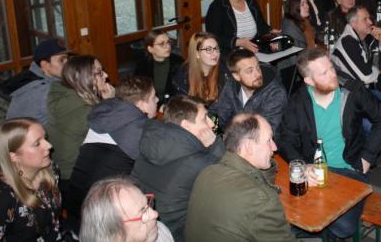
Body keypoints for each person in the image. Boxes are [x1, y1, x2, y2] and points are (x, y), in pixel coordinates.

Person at [277, 48, 381, 240]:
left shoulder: (352, 91)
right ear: (309, 81)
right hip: (315, 172)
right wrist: (302, 165)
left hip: (350, 169)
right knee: (290, 212)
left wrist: (367, 157)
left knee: (344, 228)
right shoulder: (297, 102)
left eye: (331, 68)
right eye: (324, 73)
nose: (332, 75)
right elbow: (285, 139)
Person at [185, 113, 296, 242]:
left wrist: (265, 161)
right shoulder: (262, 202)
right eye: (269, 140)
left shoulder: (207, 172)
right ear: (249, 146)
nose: (275, 147)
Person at [65, 76, 159, 227]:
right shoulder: (141, 129)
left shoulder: (105, 117)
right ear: (142, 104)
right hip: (99, 223)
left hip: (74, 207)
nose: (157, 99)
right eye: (153, 97)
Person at [132, 95, 225, 242]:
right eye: (204, 119)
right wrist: (215, 145)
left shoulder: (150, 142)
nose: (211, 124)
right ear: (186, 126)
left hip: (145, 228)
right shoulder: (198, 162)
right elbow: (230, 175)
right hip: (176, 235)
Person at [0, 118, 75, 241]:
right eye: (37, 143)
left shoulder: (51, 170)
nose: (49, 145)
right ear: (14, 157)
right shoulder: (0, 196)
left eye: (45, 138)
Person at [47, 55, 115, 186]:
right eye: (99, 72)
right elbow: (117, 131)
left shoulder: (63, 95)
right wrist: (111, 103)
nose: (106, 75)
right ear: (84, 78)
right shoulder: (85, 111)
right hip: (74, 177)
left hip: (59, 171)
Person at [331, 6, 381, 117]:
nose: (370, 22)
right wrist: (375, 67)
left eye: (369, 18)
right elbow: (366, 77)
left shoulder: (366, 39)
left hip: (365, 91)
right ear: (353, 24)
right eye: (365, 19)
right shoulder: (347, 43)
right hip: (349, 97)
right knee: (380, 119)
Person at [209, 49, 288, 133]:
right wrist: (216, 133)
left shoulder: (275, 93)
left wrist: (225, 141)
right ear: (236, 76)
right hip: (233, 138)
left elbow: (264, 133)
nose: (257, 74)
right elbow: (216, 112)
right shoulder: (231, 85)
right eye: (250, 71)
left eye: (258, 67)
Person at [205, 0, 275, 58]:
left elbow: (261, 25)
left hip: (256, 52)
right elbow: (213, 37)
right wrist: (238, 42)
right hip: (229, 56)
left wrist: (270, 31)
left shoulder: (251, 2)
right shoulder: (217, 7)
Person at [80, 176, 173, 242]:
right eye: (143, 212)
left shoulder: (160, 231)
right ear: (116, 235)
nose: (155, 214)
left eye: (147, 203)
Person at [6, 39, 70, 126]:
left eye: (67, 59)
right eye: (62, 60)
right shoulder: (43, 90)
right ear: (45, 65)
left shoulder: (33, 75)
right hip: (27, 138)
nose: (68, 64)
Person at [170, 33, 227, 108]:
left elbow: (226, 107)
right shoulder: (183, 76)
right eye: (209, 49)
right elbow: (184, 109)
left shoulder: (225, 71)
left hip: (218, 116)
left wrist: (213, 119)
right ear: (197, 54)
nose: (215, 53)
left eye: (216, 48)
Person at [134, 30, 184, 105]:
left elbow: (183, 92)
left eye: (168, 42)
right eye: (161, 44)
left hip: (175, 106)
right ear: (150, 49)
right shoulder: (142, 65)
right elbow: (139, 93)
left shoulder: (179, 62)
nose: (168, 46)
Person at [279, 0, 319, 85]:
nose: (307, 6)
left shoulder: (303, 21)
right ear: (294, 7)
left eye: (306, 3)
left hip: (306, 61)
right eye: (302, 4)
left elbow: (313, 40)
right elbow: (295, 61)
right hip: (293, 74)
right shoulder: (290, 27)